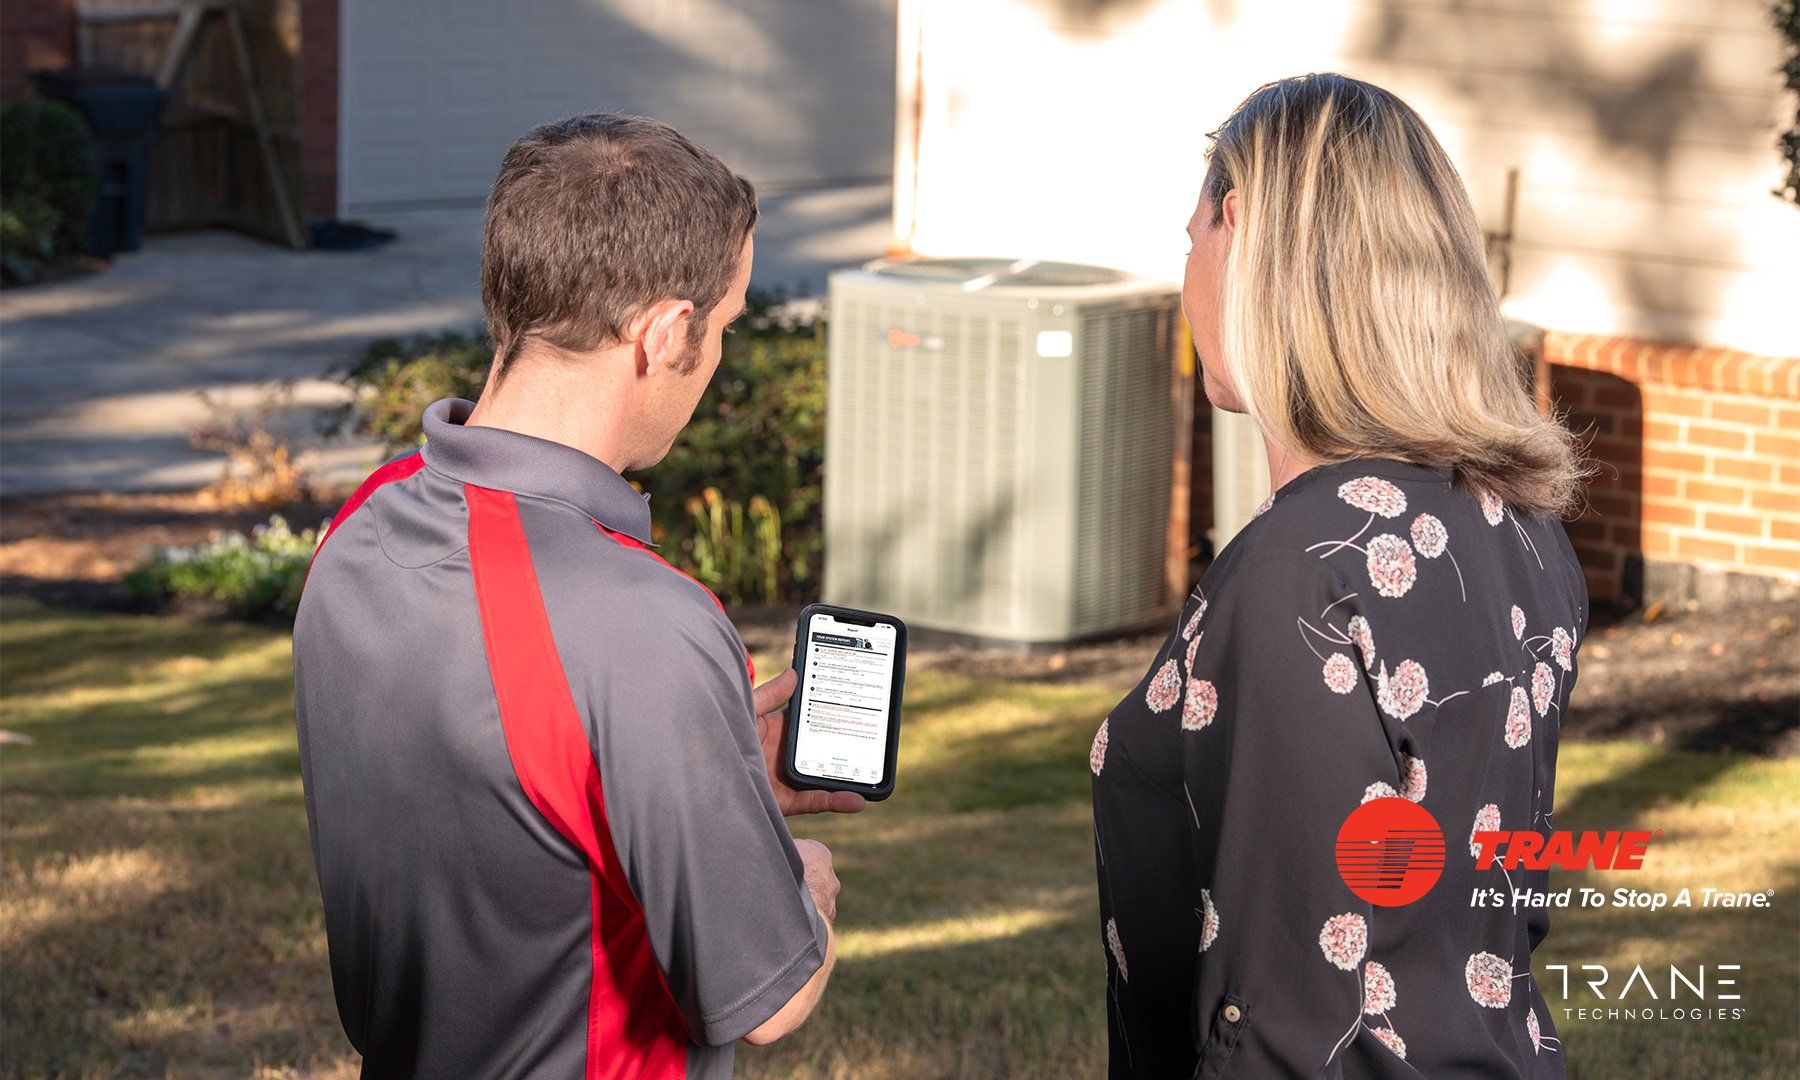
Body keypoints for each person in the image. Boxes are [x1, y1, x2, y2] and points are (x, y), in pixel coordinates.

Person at [294, 113, 861, 1079]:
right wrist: (797, 878)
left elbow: (494, 799)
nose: (716, 359)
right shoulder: (646, 624)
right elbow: (766, 998)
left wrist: (709, 783)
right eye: (722, 327)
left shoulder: (361, 526)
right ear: (664, 332)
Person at [1090, 73, 1589, 1078]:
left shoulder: (1301, 569)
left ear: (1237, 229)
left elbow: (1277, 1000)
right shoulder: (1525, 530)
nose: (1188, 264)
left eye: (1191, 236)